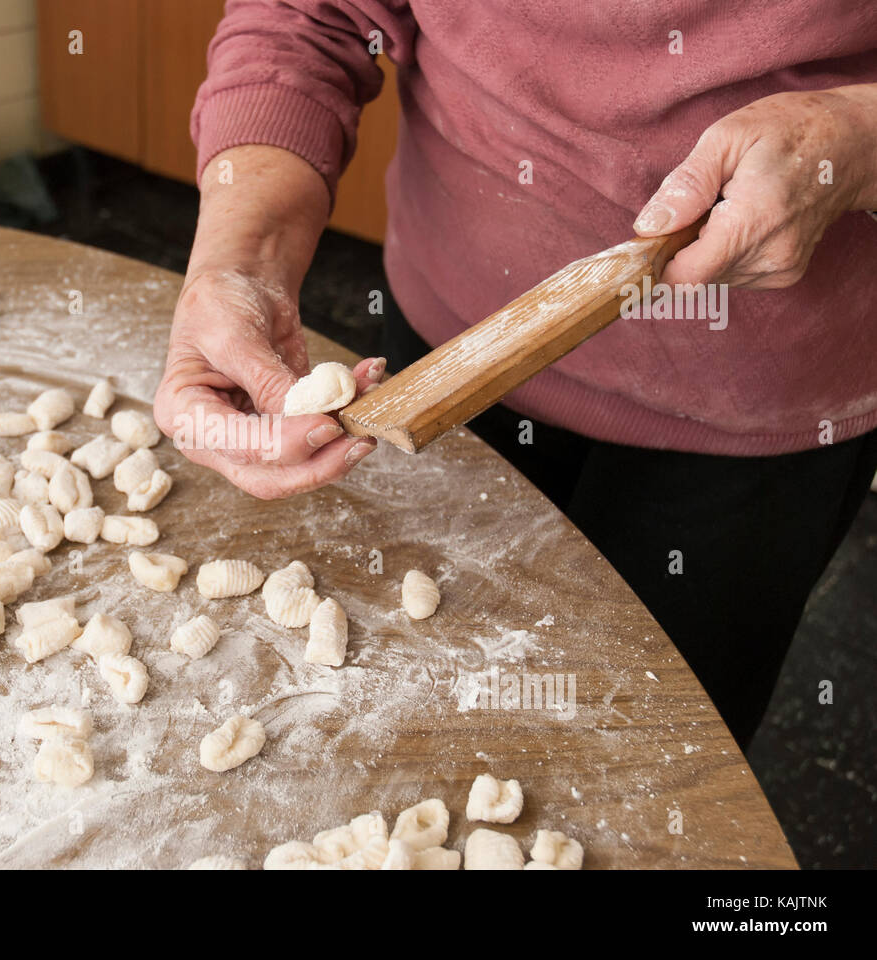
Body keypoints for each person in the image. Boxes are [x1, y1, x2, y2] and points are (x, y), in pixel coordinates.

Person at [152, 0, 877, 748]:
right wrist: (239, 265)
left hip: (754, 414)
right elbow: (308, 13)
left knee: (632, 758)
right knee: (420, 723)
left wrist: (856, 138)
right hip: (444, 359)